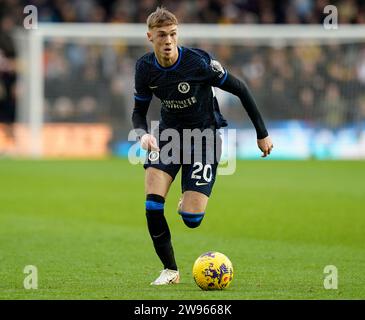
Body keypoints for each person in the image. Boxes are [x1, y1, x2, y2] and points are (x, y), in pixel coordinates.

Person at [132, 7, 273, 285]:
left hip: (204, 138)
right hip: (169, 138)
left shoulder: (199, 63)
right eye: (162, 35)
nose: (168, 40)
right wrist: (141, 133)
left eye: (173, 34)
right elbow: (138, 110)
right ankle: (170, 270)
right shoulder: (145, 68)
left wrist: (262, 133)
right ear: (150, 37)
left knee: (192, 219)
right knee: (152, 203)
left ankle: (188, 201)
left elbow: (241, 88)